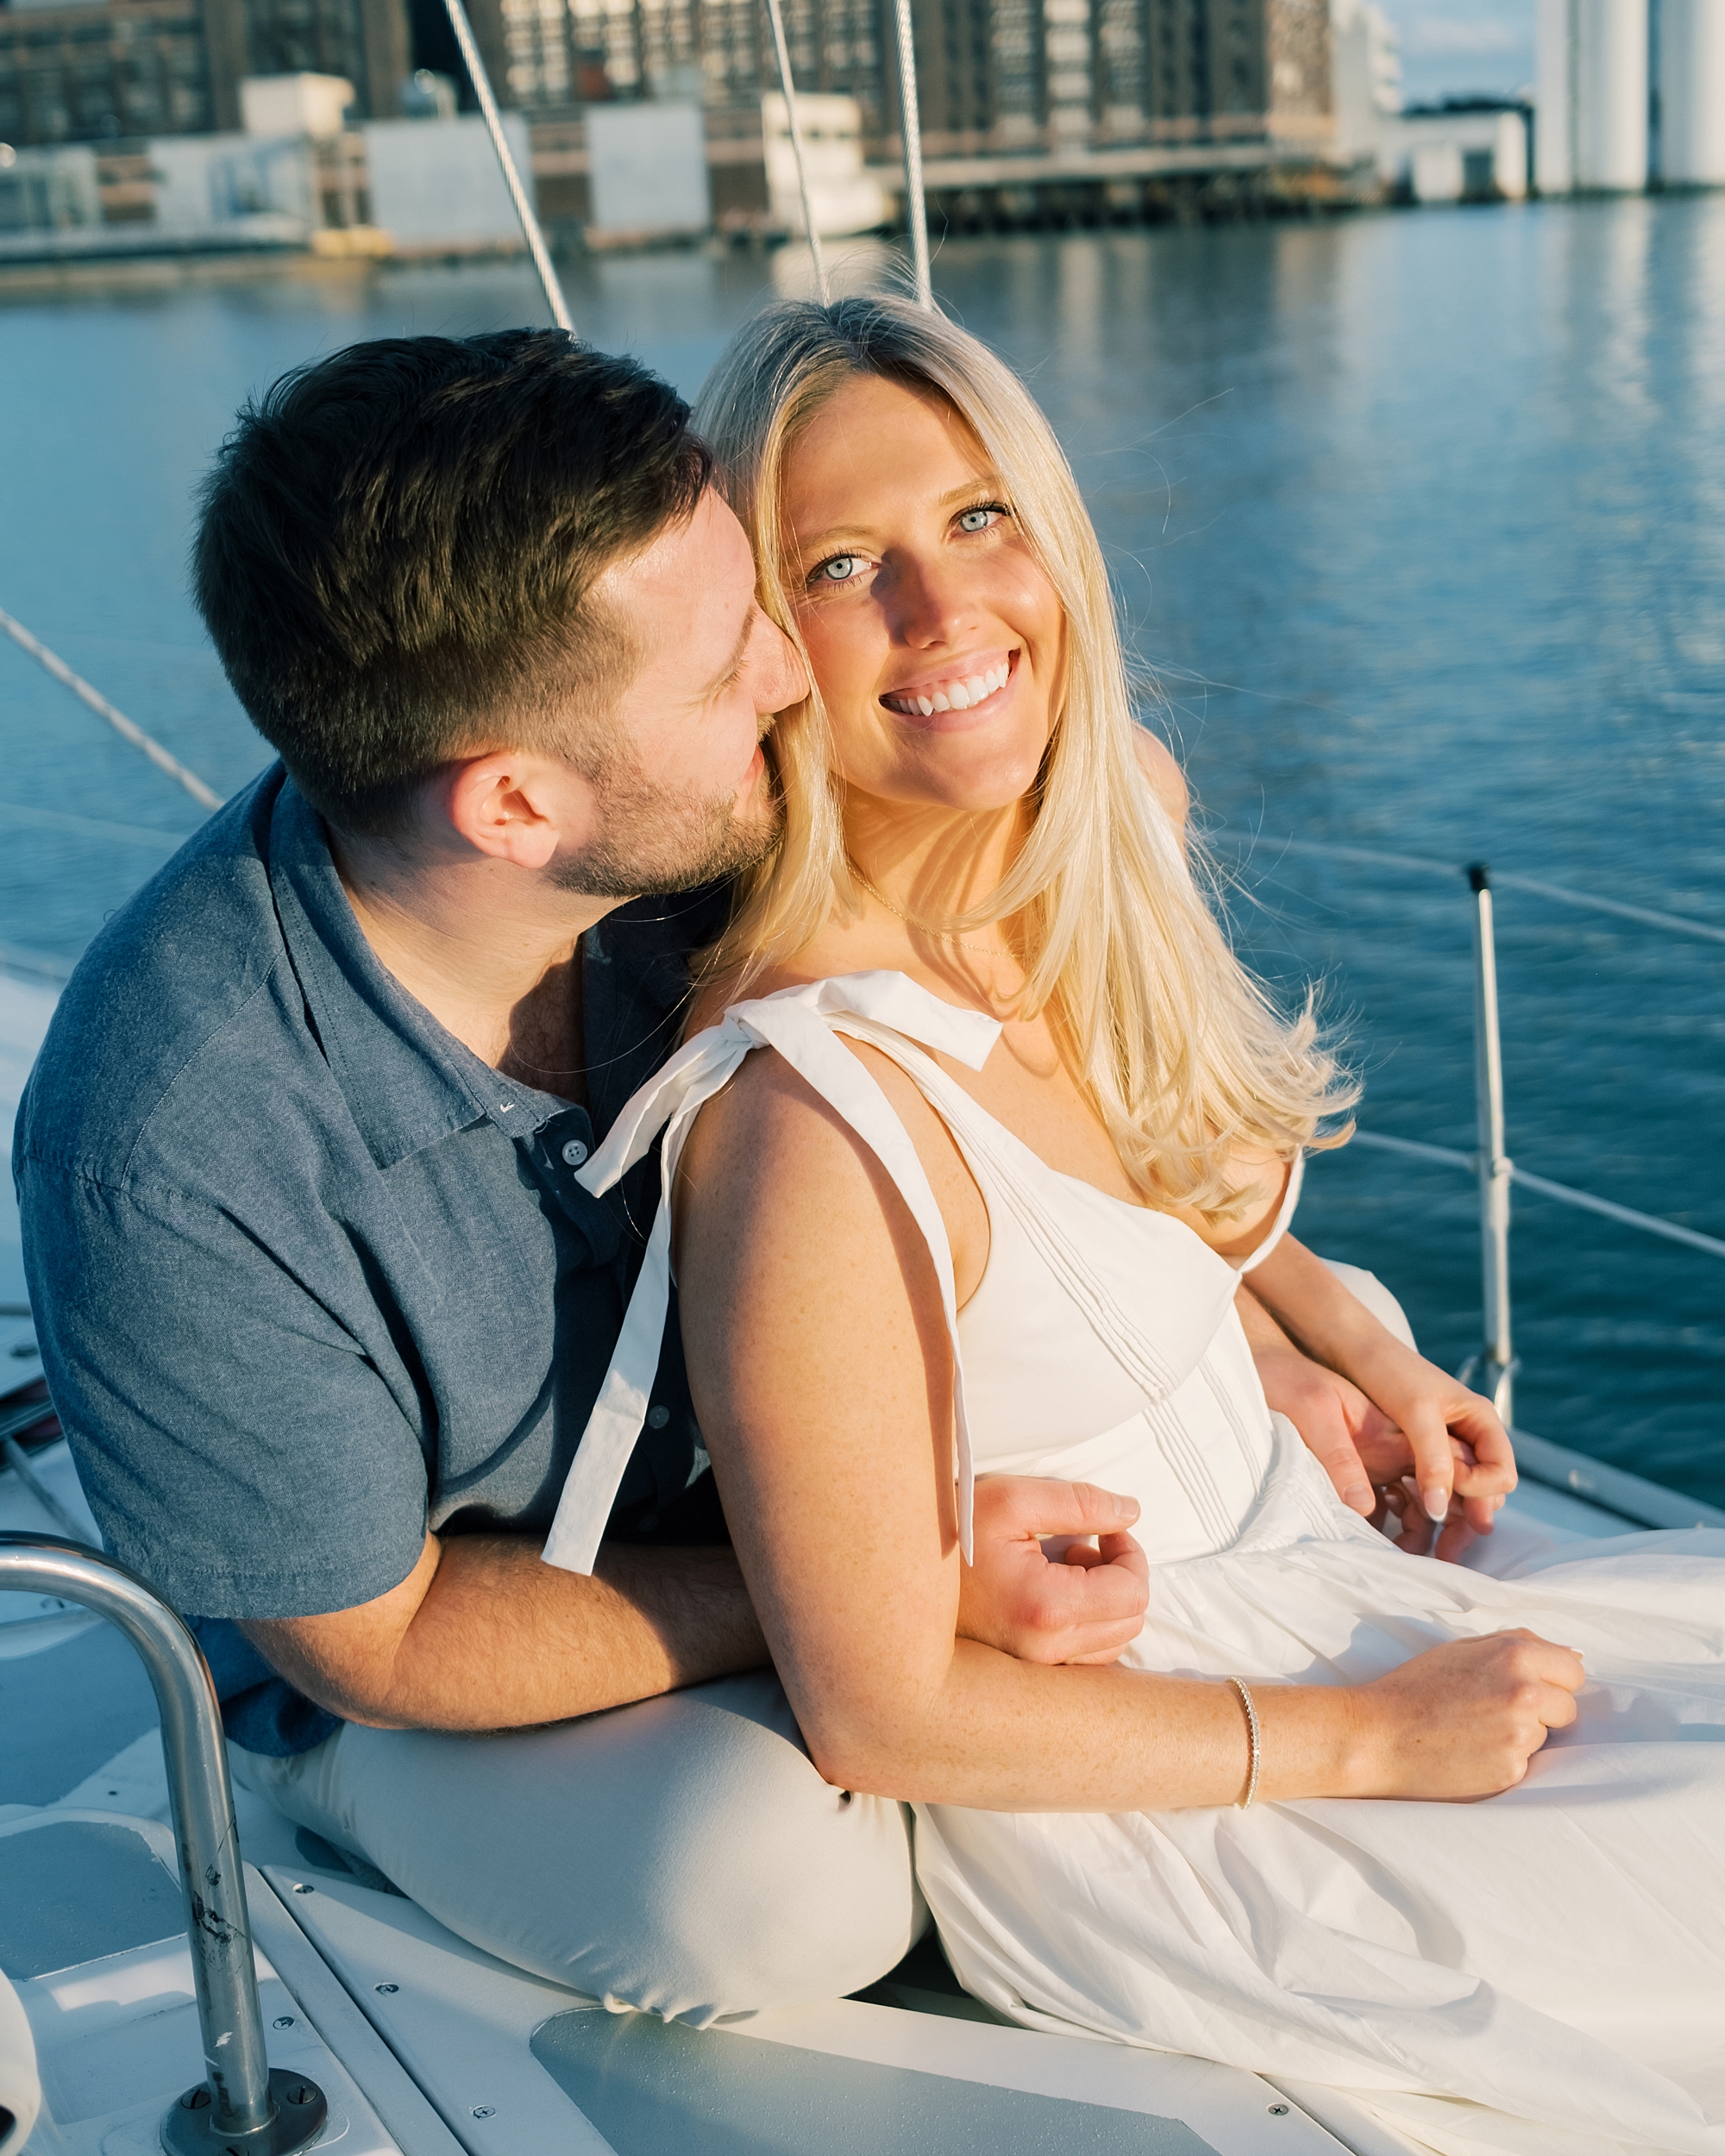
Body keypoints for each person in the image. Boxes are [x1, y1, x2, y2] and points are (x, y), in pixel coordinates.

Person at [540, 296, 1725, 2155]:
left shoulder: (1110, 834)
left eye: (980, 518)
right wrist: (1369, 1740)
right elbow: (883, 1711)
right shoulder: (811, 1119)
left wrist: (1344, 1341)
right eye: (845, 565)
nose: (944, 610)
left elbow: (1160, 1188)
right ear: (764, 642)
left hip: (1332, 1583)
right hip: (1156, 1774)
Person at [15, 329, 1175, 2020]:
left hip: (800, 1517)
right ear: (513, 806)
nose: (792, 673)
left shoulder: (685, 803)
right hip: (422, 1663)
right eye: (726, 667)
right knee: (769, 1890)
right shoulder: (173, 1155)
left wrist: (1275, 1320)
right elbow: (377, 1639)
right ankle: (331, 1816)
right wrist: (873, 1601)